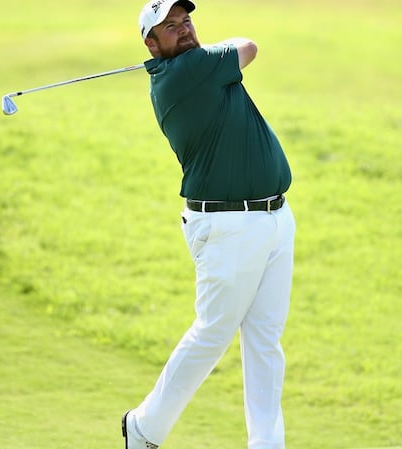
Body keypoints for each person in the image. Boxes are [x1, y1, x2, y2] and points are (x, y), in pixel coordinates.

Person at [122, 1, 295, 448]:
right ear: (150, 43)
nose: (183, 30)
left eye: (185, 21)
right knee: (213, 332)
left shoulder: (193, 66)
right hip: (229, 227)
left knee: (265, 340)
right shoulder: (185, 72)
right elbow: (249, 45)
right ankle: (143, 428)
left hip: (274, 217)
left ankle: (267, 444)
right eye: (169, 27)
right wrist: (210, 52)